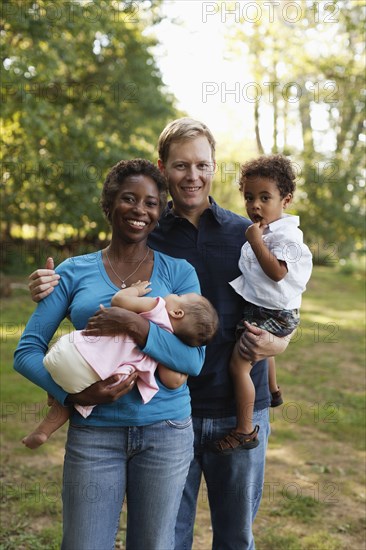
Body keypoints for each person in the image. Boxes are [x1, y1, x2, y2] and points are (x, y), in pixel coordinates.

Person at [28, 119, 292, 550]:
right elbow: (98, 276)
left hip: (239, 406)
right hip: (170, 411)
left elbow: (281, 300)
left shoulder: (245, 235)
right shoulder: (147, 229)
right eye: (181, 165)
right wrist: (47, 284)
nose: (193, 176)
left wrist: (281, 341)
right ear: (162, 167)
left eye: (202, 165)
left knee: (236, 537)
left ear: (213, 167)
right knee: (167, 538)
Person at [15, 158, 209, 550]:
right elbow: (27, 351)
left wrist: (133, 323)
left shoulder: (179, 273)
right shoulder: (73, 271)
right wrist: (74, 396)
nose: (140, 210)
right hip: (94, 433)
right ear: (109, 205)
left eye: (151, 203)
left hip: (166, 432)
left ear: (160, 212)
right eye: (129, 199)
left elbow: (193, 362)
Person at [22, 281, 218, 449]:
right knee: (75, 398)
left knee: (65, 372)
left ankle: (53, 391)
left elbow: (119, 300)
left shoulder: (158, 308)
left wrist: (136, 290)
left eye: (180, 295)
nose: (174, 293)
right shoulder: (167, 344)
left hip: (77, 353)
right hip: (103, 376)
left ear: (177, 312)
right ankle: (43, 431)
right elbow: (172, 381)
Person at [213, 154, 313, 453]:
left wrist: (256, 242)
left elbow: (277, 272)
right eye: (249, 197)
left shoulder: (285, 236)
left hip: (276, 313)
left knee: (239, 365)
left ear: (286, 200)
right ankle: (273, 389)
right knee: (263, 350)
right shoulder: (269, 230)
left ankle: (244, 430)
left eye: (264, 197)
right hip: (267, 308)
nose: (255, 205)